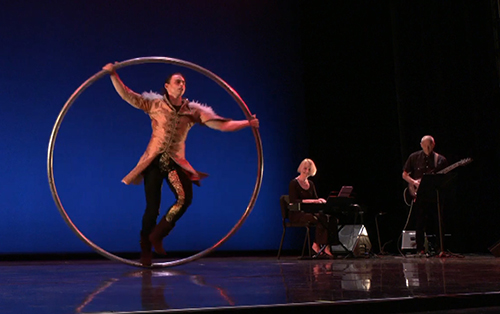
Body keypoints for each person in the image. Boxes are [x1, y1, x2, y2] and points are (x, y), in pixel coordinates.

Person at [102, 63, 259, 266]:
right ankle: (145, 247)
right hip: (153, 161)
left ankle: (157, 235)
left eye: (184, 82)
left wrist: (247, 123)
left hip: (175, 161)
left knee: (184, 198)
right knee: (152, 208)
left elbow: (220, 124)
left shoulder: (192, 111)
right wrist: (112, 74)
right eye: (178, 81)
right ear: (167, 86)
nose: (182, 84)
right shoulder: (155, 105)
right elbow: (128, 96)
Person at [402, 135, 448, 255]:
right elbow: (405, 174)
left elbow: (444, 179)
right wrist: (414, 182)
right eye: (425, 145)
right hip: (420, 195)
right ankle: (420, 248)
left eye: (429, 145)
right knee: (420, 222)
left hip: (435, 194)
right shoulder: (414, 157)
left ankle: (440, 248)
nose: (427, 148)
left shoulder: (440, 159)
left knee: (438, 221)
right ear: (421, 145)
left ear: (433, 145)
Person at [288, 158, 339, 257]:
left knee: (330, 218)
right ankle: (318, 245)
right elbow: (294, 201)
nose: (307, 171)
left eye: (309, 169)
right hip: (298, 213)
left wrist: (320, 200)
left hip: (310, 211)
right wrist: (313, 201)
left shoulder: (310, 184)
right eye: (305, 168)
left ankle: (324, 245)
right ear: (301, 168)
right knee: (319, 219)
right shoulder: (294, 183)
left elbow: (315, 199)